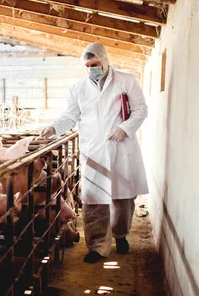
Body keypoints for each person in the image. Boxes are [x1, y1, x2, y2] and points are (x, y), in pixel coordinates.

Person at [40, 42, 148, 264]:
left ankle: (120, 235)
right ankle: (97, 246)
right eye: (87, 65)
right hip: (94, 151)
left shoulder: (126, 81)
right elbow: (70, 116)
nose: (91, 69)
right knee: (93, 200)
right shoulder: (78, 89)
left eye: (95, 64)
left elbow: (140, 110)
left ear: (105, 61)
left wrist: (124, 129)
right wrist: (54, 127)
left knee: (123, 199)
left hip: (120, 147)